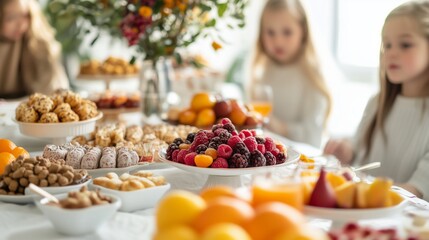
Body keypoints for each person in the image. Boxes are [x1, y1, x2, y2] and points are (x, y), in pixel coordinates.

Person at [324, 0, 429, 200]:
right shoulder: (377, 103)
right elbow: (359, 153)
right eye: (386, 44)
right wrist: (346, 151)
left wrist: (357, 186)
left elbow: (414, 192)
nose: (390, 53)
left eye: (405, 45)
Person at [247, 0, 332, 148]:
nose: (278, 41)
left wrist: (278, 126)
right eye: (270, 32)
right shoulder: (262, 72)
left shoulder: (311, 75)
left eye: (287, 32)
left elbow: (313, 136)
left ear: (303, 31)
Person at [0, 0, 68, 99]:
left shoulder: (36, 42)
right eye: (11, 18)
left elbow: (52, 89)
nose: (21, 24)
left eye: (25, 15)